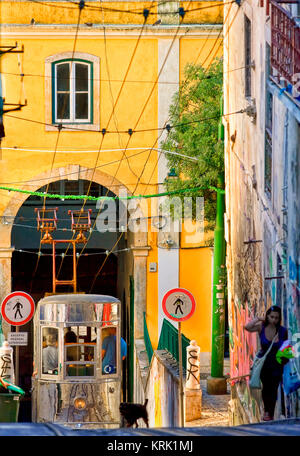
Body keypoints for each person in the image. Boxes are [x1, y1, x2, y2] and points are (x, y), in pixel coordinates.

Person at [244, 305, 288, 421]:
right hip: (264, 364)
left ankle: (270, 413)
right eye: (272, 317)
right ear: (267, 316)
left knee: (273, 388)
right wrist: (258, 318)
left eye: (276, 318)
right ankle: (267, 411)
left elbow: (287, 350)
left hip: (277, 365)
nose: (274, 320)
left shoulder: (283, 331)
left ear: (279, 319)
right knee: (266, 388)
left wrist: (285, 362)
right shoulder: (261, 327)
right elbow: (247, 327)